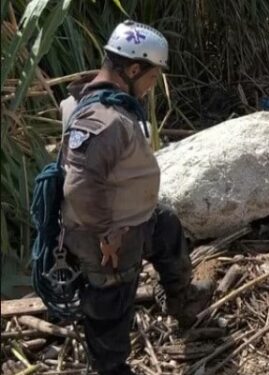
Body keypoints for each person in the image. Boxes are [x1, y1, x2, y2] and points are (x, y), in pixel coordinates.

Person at [60, 20, 211, 375]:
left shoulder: (89, 100)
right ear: (132, 69)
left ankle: (182, 299)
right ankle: (111, 368)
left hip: (133, 215)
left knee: (167, 225)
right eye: (152, 77)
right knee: (111, 303)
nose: (152, 86)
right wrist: (106, 237)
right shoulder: (104, 120)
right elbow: (79, 188)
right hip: (109, 232)